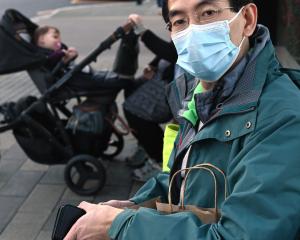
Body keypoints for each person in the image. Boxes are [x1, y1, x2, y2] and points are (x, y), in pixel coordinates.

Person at [64, 0, 300, 239]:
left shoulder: (284, 118)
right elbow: (186, 176)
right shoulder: (196, 94)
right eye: (179, 21)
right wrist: (134, 207)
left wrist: (121, 227)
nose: (193, 31)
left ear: (247, 20)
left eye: (207, 13)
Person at [122, 14, 178, 182]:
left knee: (134, 110)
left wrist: (143, 31)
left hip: (176, 87)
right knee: (130, 89)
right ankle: (146, 144)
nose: (171, 27)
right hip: (164, 76)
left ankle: (159, 161)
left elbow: (174, 52)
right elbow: (172, 48)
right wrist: (153, 64)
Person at [33, 25, 132, 92]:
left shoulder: (55, 51)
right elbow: (49, 60)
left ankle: (114, 78)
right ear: (42, 39)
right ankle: (116, 80)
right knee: (96, 81)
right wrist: (61, 54)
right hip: (67, 81)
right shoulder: (42, 55)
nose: (58, 40)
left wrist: (71, 55)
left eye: (59, 38)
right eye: (55, 37)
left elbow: (62, 60)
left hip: (74, 74)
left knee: (97, 75)